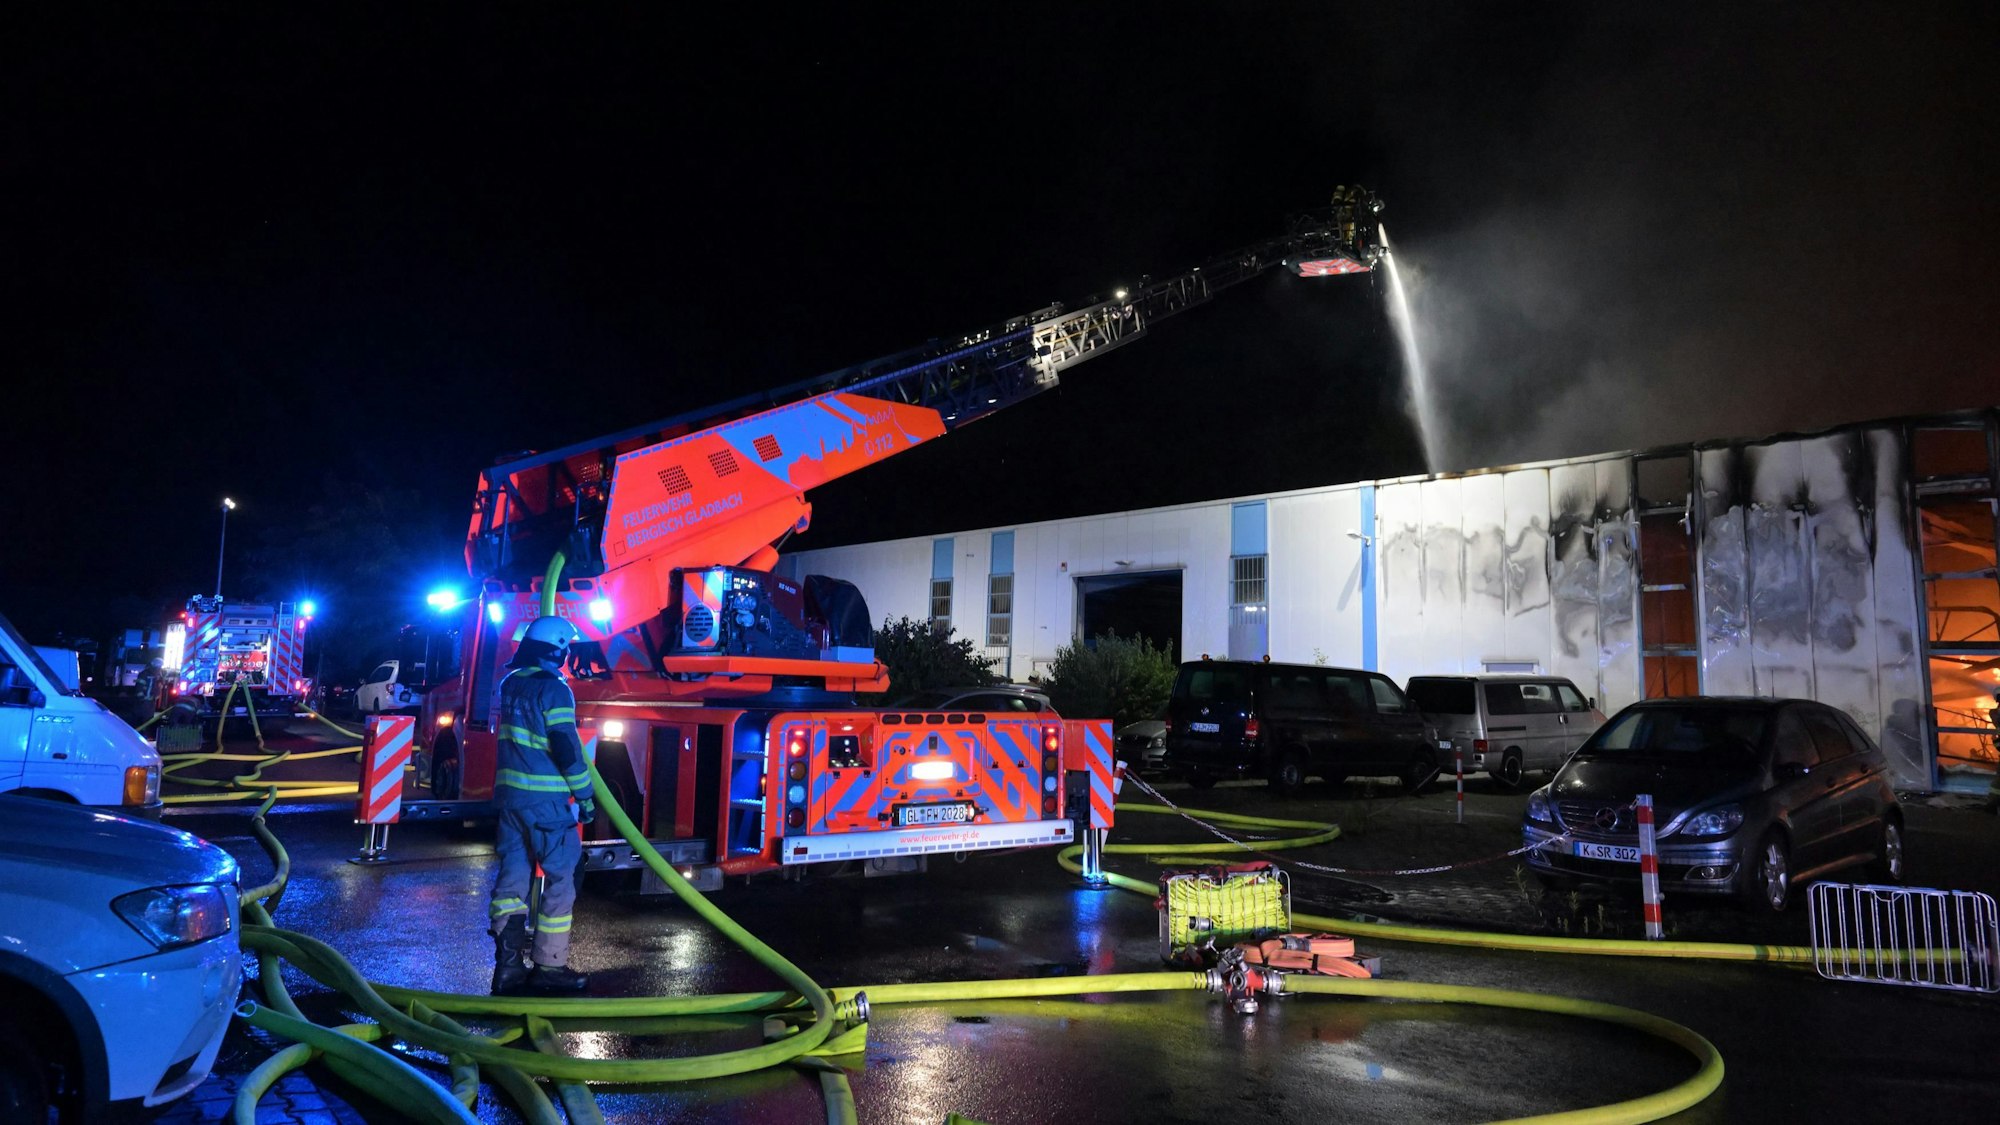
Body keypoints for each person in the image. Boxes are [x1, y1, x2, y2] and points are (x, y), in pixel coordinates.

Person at [488, 614, 597, 994]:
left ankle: (508, 968)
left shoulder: (510, 684)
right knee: (561, 880)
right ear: (559, 651)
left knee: (512, 881)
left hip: (510, 802)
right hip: (546, 804)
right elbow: (566, 748)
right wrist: (584, 797)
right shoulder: (555, 690)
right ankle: (550, 968)